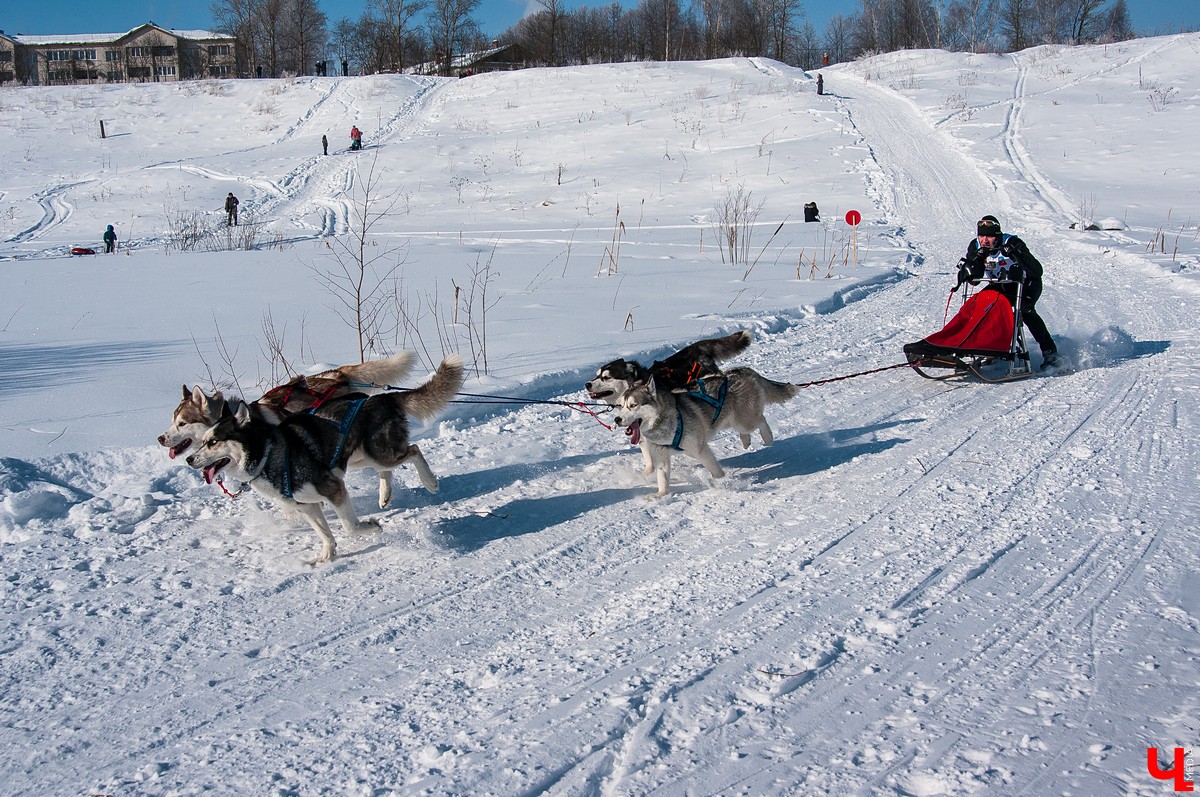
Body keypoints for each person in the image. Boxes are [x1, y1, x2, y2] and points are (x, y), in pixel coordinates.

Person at [957, 214, 1058, 368]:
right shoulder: (975, 246)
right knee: (980, 305)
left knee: (1024, 310)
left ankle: (1049, 351)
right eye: (981, 235)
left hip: (1026, 282)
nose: (984, 240)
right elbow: (974, 280)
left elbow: (1037, 271)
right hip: (1001, 283)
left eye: (989, 237)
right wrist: (974, 262)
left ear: (997, 235)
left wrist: (1015, 253)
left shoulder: (1012, 241)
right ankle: (988, 348)